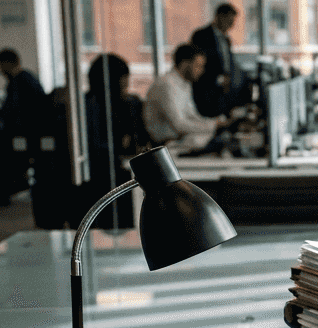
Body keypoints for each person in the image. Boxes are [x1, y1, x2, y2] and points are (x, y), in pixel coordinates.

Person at [76, 53, 150, 227]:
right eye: (122, 77)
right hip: (102, 177)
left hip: (126, 172)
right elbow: (95, 144)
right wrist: (120, 145)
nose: (126, 83)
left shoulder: (130, 104)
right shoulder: (90, 106)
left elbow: (139, 139)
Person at [144, 44, 232, 154]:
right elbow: (179, 125)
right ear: (185, 64)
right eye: (198, 66)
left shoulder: (185, 84)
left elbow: (191, 115)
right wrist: (213, 125)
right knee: (218, 145)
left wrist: (215, 122)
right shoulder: (166, 85)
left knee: (222, 141)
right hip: (166, 146)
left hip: (181, 141)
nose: (201, 70)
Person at [0, 48, 53, 203]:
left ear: (8, 63)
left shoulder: (19, 82)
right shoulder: (25, 78)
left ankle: (14, 185)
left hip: (26, 134)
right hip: (30, 132)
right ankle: (14, 183)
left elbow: (11, 112)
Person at [190, 3, 245, 118]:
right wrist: (218, 79)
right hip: (207, 90)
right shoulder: (201, 36)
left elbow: (228, 63)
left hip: (223, 90)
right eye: (229, 22)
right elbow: (197, 65)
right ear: (219, 17)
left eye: (233, 23)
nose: (231, 26)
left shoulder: (226, 39)